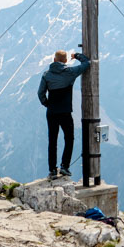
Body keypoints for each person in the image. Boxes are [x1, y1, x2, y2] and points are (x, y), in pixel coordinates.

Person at [37, 48, 91, 180]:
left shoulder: (46, 75)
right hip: (65, 112)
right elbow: (87, 63)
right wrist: (76, 55)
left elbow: (40, 93)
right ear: (66, 61)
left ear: (54, 60)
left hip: (52, 112)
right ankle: (65, 167)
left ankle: (52, 170)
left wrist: (47, 104)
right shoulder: (70, 72)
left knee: (52, 140)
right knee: (69, 138)